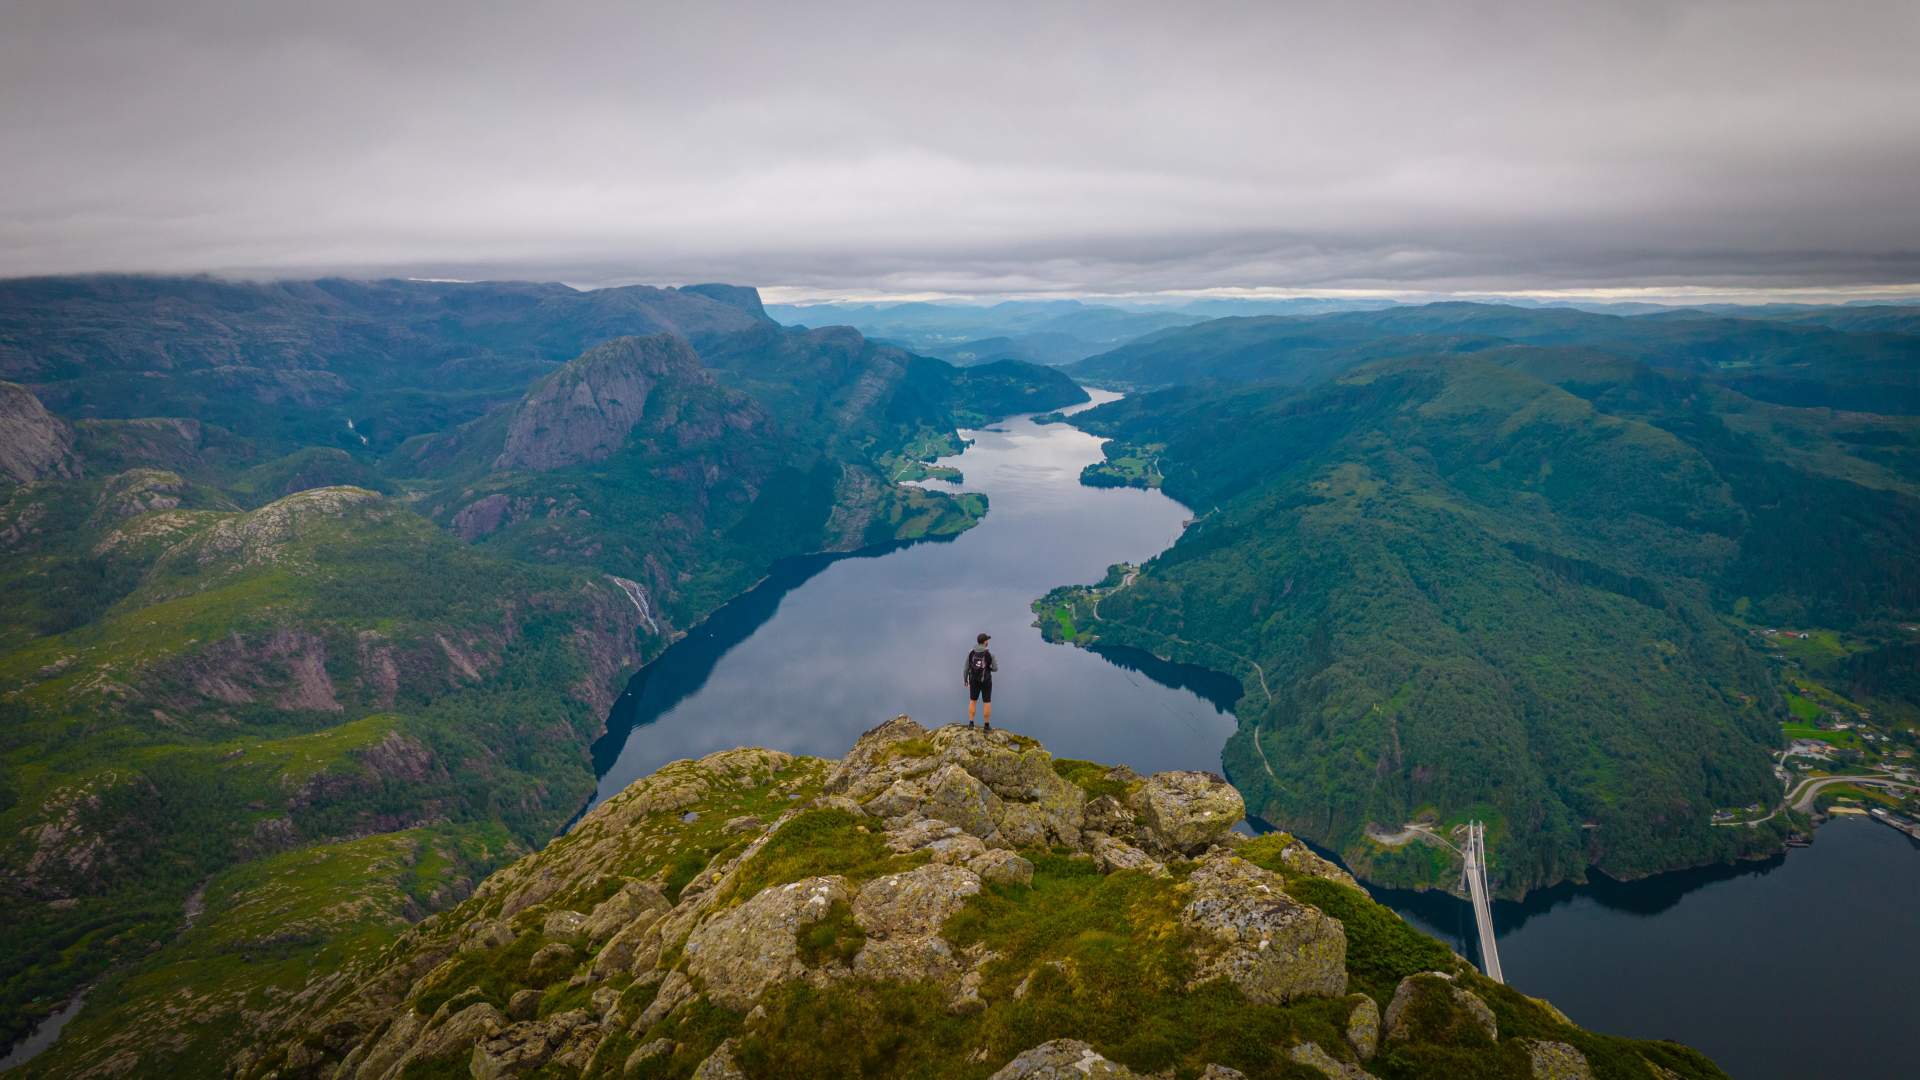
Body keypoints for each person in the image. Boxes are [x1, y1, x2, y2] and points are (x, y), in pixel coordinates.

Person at [964, 632, 997, 730]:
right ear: (985, 642)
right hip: (986, 680)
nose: (988, 641)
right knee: (986, 702)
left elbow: (965, 668)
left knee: (973, 701)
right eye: (987, 640)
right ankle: (986, 726)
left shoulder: (971, 652)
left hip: (973, 680)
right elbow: (995, 668)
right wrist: (988, 669)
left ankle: (971, 724)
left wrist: (965, 680)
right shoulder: (990, 654)